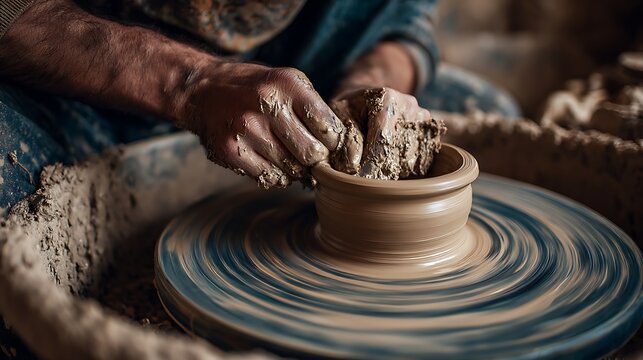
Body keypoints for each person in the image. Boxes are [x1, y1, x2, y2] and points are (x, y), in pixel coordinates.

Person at [0, 0, 520, 212]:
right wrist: (190, 82)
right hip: (80, 84)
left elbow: (405, 17)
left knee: (493, 117)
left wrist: (374, 85)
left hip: (306, 80)